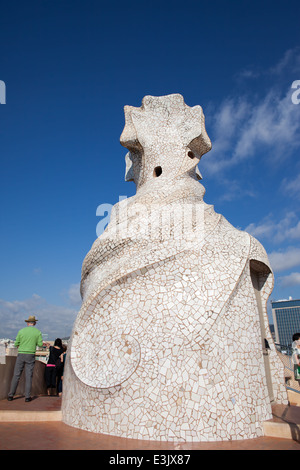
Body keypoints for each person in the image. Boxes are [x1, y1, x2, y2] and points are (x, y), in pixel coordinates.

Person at [7, 315, 43, 402]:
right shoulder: (37, 332)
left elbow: (16, 344)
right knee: (29, 376)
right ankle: (27, 397)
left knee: (16, 375)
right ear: (34, 323)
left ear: (27, 323)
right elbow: (40, 344)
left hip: (21, 354)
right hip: (30, 355)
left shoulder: (21, 331)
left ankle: (11, 395)